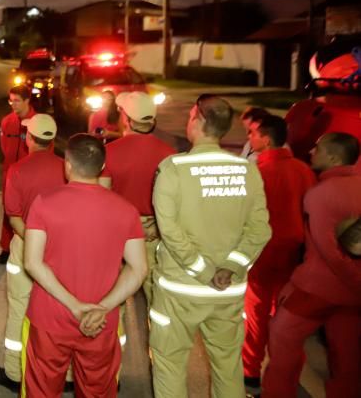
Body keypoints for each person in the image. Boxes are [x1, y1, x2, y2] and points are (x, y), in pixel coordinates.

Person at [150, 94, 271, 398]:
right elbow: (259, 230)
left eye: (191, 115)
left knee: (169, 364)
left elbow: (170, 231)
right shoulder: (247, 170)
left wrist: (203, 271)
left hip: (181, 290)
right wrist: (231, 267)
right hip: (228, 292)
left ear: (199, 121)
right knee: (227, 366)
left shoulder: (173, 168)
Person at [21, 134, 147, 397]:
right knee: (97, 391)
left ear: (67, 164)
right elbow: (138, 269)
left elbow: (32, 262)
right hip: (101, 321)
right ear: (102, 167)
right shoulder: (126, 210)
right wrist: (101, 308)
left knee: (42, 389)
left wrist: (75, 306)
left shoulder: (44, 203)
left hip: (50, 317)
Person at [262, 133, 361, 398]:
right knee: (347, 357)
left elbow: (330, 252)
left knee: (282, 337)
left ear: (333, 157)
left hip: (318, 288)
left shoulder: (321, 194)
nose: (310, 152)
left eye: (317, 148)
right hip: (351, 296)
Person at [0, 114, 64, 392]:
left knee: (20, 307)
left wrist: (33, 240)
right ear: (53, 140)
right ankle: (63, 375)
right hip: (59, 249)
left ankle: (15, 372)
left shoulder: (18, 170)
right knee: (59, 308)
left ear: (29, 138)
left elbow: (14, 216)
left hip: (25, 246)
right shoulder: (67, 168)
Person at [241, 115, 317, 390]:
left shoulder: (257, 173)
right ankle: (283, 374)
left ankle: (250, 371)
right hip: (293, 254)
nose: (249, 138)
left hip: (262, 252)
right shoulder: (303, 170)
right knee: (283, 317)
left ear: (266, 139)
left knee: (255, 313)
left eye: (252, 134)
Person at [101, 91, 177, 305]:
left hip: (118, 237)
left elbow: (103, 199)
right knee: (157, 301)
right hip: (154, 235)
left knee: (113, 299)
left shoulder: (108, 153)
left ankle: (118, 338)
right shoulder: (170, 154)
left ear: (125, 118)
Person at [0, 85, 36, 264]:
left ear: (27, 101)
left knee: (30, 214)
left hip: (30, 178)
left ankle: (32, 248)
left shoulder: (37, 122)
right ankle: (6, 248)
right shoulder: (6, 121)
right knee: (9, 213)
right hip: (10, 176)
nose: (13, 104)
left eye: (17, 100)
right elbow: (4, 148)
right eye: (11, 100)